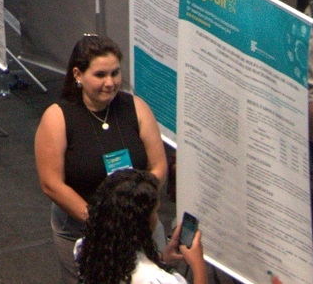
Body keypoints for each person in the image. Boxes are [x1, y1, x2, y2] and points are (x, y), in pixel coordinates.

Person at [32, 35, 168, 282]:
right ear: (78, 74)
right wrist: (105, 220)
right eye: (100, 75)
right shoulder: (57, 118)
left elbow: (158, 166)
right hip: (82, 227)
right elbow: (51, 183)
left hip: (139, 223)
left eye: (115, 73)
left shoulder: (136, 107)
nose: (110, 83)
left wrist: (136, 206)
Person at [75, 169, 206, 284]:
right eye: (155, 212)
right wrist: (198, 266)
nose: (156, 218)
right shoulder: (155, 279)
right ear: (141, 224)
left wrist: (163, 259)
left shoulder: (87, 249)